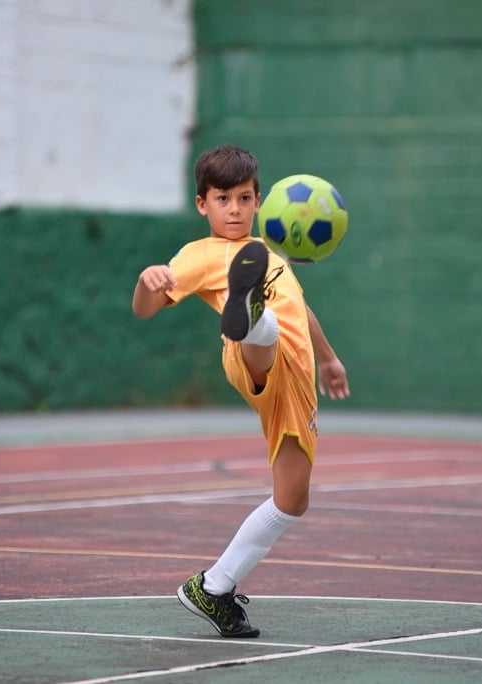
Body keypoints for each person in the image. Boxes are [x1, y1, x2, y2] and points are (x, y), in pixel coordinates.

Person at [132, 144, 350, 638]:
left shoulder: (270, 252)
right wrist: (148, 283)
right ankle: (248, 318)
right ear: (201, 205)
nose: (234, 209)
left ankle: (213, 587)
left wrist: (330, 358)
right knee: (263, 335)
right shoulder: (201, 255)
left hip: (297, 380)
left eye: (244, 198)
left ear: (259, 202)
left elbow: (302, 307)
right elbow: (145, 309)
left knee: (292, 500)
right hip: (252, 359)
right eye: (223, 198)